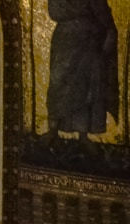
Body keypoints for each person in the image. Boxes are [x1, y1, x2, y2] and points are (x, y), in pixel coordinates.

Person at [48, 0, 119, 137]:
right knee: (59, 82)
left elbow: (101, 11)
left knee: (85, 86)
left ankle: (83, 134)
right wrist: (84, 8)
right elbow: (55, 10)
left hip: (88, 40)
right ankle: (53, 129)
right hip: (65, 40)